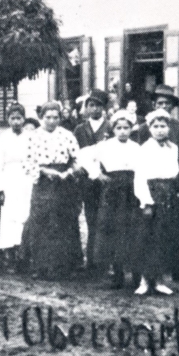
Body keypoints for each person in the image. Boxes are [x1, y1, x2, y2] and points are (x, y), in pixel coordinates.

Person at [22, 101, 84, 279]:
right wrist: (44, 171)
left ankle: (65, 267)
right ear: (41, 117)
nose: (52, 121)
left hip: (64, 182)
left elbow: (76, 158)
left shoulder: (67, 135)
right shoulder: (33, 136)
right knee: (42, 221)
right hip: (43, 183)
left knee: (64, 221)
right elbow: (27, 162)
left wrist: (71, 170)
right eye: (48, 117)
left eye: (55, 117)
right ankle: (42, 266)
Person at [86, 110, 144, 288]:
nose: (123, 131)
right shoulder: (105, 146)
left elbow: (143, 169)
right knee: (113, 230)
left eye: (126, 128)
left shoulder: (136, 147)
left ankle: (135, 275)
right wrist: (97, 174)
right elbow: (85, 157)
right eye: (119, 128)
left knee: (131, 230)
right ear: (113, 129)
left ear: (131, 129)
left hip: (132, 190)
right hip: (112, 191)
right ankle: (117, 274)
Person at [134, 109, 179, 295]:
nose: (160, 130)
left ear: (169, 128)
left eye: (163, 126)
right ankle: (144, 280)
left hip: (169, 194)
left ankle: (160, 280)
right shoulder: (145, 149)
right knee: (148, 238)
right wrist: (146, 202)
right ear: (149, 128)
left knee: (165, 237)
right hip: (152, 194)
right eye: (155, 126)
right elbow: (140, 177)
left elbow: (176, 172)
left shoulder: (174, 149)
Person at [73, 89, 113, 271]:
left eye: (99, 105)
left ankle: (105, 261)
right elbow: (76, 154)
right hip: (87, 181)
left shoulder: (111, 127)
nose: (95, 109)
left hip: (107, 179)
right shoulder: (80, 129)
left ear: (104, 108)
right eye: (91, 105)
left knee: (106, 220)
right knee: (91, 220)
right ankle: (91, 261)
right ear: (87, 107)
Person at [0, 105, 33, 268]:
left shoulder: (31, 137)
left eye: (19, 118)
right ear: (8, 119)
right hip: (9, 179)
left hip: (27, 178)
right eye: (12, 118)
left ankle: (24, 255)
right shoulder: (2, 139)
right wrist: (0, 189)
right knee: (9, 216)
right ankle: (10, 256)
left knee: (26, 214)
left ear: (24, 119)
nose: (16, 122)